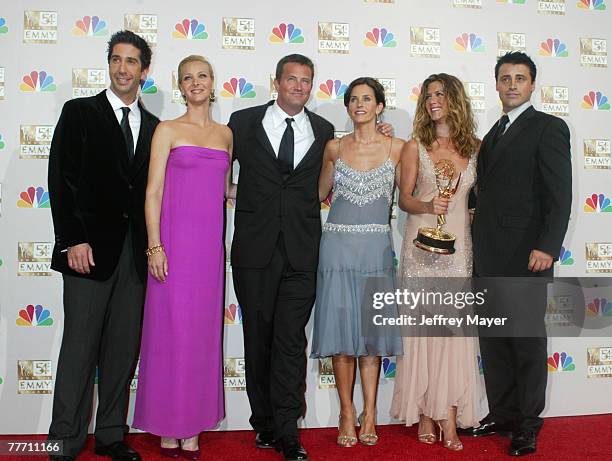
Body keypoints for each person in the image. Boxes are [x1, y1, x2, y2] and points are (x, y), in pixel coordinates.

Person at [47, 30, 159, 461]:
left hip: (133, 258)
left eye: (132, 61)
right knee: (78, 350)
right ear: (108, 63)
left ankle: (112, 434)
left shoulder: (153, 127)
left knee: (121, 352)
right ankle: (64, 441)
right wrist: (73, 238)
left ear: (144, 71)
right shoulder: (79, 112)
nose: (123, 68)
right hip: (87, 254)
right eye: (116, 59)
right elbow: (62, 178)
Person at [226, 54, 334, 461]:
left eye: (306, 81)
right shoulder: (242, 122)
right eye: (292, 79)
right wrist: (230, 190)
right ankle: (264, 424)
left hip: (302, 252)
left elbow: (333, 173)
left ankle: (288, 430)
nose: (299, 87)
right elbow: (218, 165)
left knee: (290, 340)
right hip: (254, 249)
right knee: (259, 338)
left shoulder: (323, 130)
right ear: (276, 82)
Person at [464, 52, 572, 457]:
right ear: (496, 84)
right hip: (488, 253)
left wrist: (547, 245)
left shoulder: (548, 127)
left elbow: (560, 195)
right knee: (494, 338)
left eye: (520, 78)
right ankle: (504, 412)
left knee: (526, 340)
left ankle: (528, 423)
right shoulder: (492, 134)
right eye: (505, 78)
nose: (512, 85)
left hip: (529, 255)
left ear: (532, 85)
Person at [132, 55, 234, 460]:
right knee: (168, 334)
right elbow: (152, 192)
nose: (196, 83)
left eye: (202, 76)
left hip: (208, 251)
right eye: (188, 77)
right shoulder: (167, 129)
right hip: (172, 246)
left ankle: (190, 425)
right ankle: (167, 424)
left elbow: (227, 190)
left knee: (200, 337)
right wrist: (155, 245)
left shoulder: (227, 135)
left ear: (213, 82)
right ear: (180, 85)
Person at [390, 73, 482, 451]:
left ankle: (449, 415)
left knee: (453, 337)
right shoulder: (415, 146)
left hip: (458, 254)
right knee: (424, 334)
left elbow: (482, 198)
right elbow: (404, 199)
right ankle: (426, 413)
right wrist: (429, 205)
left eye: (440, 94)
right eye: (428, 96)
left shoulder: (476, 147)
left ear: (455, 99)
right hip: (421, 252)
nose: (432, 101)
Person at [311, 77, 404, 448]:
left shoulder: (399, 147)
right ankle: (346, 412)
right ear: (347, 107)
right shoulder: (333, 147)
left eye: (367, 98)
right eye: (353, 99)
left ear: (380, 105)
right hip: (336, 249)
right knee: (342, 339)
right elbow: (317, 193)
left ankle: (370, 412)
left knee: (370, 338)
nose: (360, 104)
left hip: (376, 252)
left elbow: (413, 194)